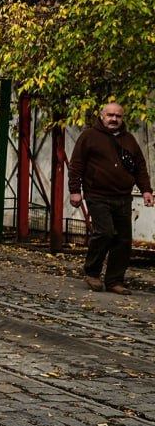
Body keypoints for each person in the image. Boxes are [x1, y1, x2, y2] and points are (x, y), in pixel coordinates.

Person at [67, 102, 154, 295]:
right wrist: (75, 190)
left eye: (118, 116)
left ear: (122, 118)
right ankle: (92, 272)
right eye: (110, 115)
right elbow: (76, 165)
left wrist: (146, 191)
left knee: (123, 240)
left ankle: (114, 280)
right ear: (102, 116)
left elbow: (139, 166)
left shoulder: (129, 139)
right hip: (97, 194)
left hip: (123, 196)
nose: (114, 119)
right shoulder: (89, 136)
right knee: (105, 233)